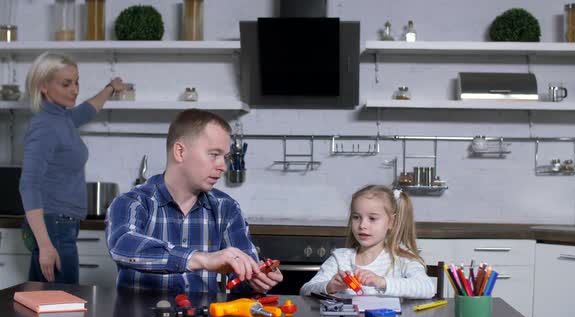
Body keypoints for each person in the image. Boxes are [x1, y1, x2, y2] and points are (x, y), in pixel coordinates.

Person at [105, 109, 283, 294]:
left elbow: (242, 287)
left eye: (226, 157)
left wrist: (257, 278)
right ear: (180, 152)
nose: (223, 166)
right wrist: (202, 259)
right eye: (214, 154)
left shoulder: (227, 209)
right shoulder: (132, 203)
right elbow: (122, 245)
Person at [19, 51, 125, 284]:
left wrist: (110, 88)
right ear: (43, 87)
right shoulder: (45, 126)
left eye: (76, 82)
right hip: (53, 227)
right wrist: (45, 245)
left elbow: (88, 109)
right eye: (66, 84)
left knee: (49, 305)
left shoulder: (62, 118)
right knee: (61, 305)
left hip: (62, 225)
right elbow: (28, 185)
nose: (75, 89)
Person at [300, 185, 435, 298]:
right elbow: (305, 290)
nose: (362, 225)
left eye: (372, 218)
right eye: (356, 217)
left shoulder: (402, 258)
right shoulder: (340, 258)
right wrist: (329, 286)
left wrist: (382, 282)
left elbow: (428, 288)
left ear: (391, 222)